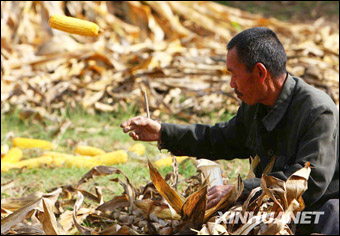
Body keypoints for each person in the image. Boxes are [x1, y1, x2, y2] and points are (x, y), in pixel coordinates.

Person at [120, 27, 339, 234]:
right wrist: (163, 132)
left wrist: (240, 190)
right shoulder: (255, 105)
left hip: (316, 209)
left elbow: (310, 183)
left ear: (260, 72)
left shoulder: (317, 111)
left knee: (333, 214)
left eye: (234, 74)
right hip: (276, 210)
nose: (232, 84)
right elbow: (219, 138)